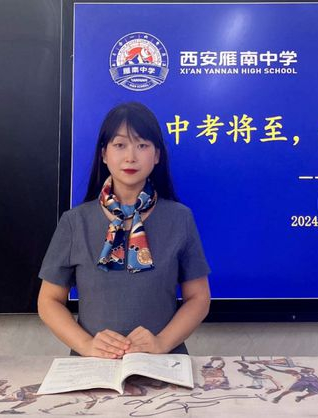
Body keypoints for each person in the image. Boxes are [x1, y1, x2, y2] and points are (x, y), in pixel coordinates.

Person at [37, 101, 211, 358]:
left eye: (142, 145)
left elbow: (199, 298)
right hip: (93, 366)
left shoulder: (180, 218)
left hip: (162, 363)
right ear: (104, 154)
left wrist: (162, 342)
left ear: (157, 155)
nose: (131, 157)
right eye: (120, 145)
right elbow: (48, 301)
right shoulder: (75, 222)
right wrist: (86, 345)